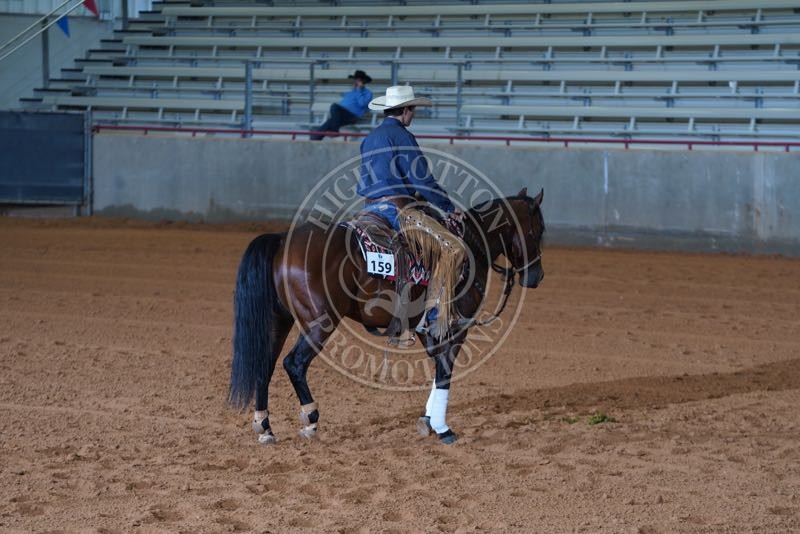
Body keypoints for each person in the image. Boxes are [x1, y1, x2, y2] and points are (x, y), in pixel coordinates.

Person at [309, 70, 373, 141]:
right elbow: (344, 103)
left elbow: (362, 104)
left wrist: (359, 90)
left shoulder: (367, 93)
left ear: (363, 81)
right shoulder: (351, 92)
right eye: (355, 80)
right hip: (343, 114)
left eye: (358, 80)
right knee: (331, 121)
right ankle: (314, 139)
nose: (356, 82)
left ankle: (334, 131)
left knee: (334, 107)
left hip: (353, 116)